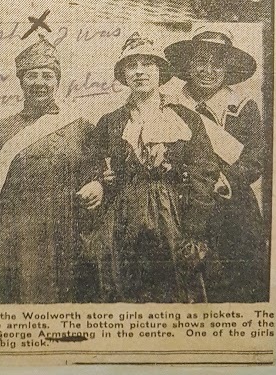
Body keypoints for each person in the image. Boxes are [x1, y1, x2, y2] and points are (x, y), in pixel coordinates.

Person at [82, 33, 220, 303]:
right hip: (123, 219)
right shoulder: (111, 122)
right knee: (126, 290)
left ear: (161, 72)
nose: (139, 72)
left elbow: (205, 172)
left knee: (175, 291)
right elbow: (92, 165)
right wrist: (98, 182)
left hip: (174, 218)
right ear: (123, 75)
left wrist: (192, 227)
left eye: (148, 64)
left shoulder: (187, 119)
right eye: (131, 66)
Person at [0, 36, 96, 303]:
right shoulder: (1, 130)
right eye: (32, 76)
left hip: (65, 233)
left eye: (47, 75)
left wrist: (98, 185)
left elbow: (96, 174)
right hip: (17, 235)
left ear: (57, 80)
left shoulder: (80, 127)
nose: (40, 83)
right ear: (21, 81)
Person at [163, 29, 269, 302]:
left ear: (228, 69)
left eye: (217, 64)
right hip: (184, 204)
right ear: (188, 65)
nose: (208, 70)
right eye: (201, 61)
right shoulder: (169, 105)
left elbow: (255, 159)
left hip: (231, 207)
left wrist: (224, 178)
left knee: (236, 281)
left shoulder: (242, 106)